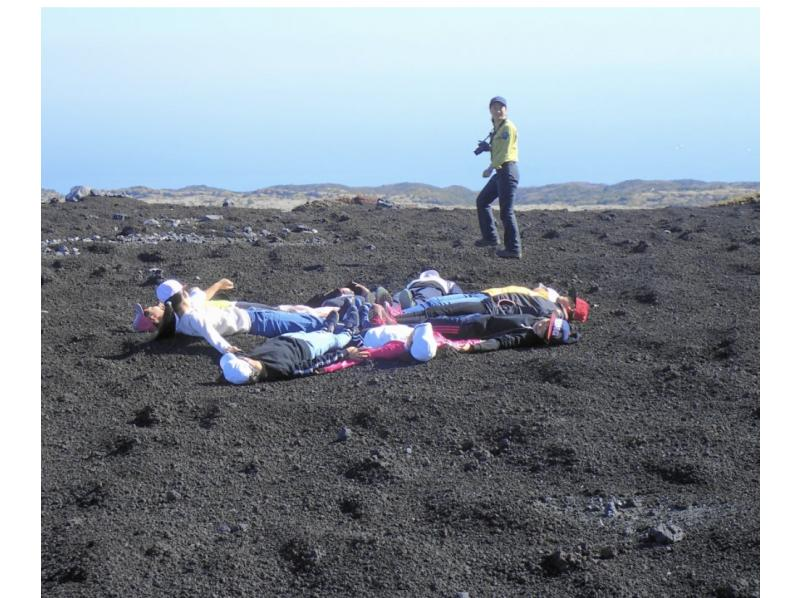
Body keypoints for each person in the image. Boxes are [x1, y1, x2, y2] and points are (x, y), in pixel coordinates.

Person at [151, 279, 356, 355]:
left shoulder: (180, 318)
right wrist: (228, 350)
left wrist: (219, 284)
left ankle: (342, 313)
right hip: (256, 322)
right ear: (182, 293)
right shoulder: (192, 317)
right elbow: (211, 335)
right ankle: (348, 322)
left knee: (295, 316)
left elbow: (201, 295)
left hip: (253, 317)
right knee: (304, 322)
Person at [219, 326, 362, 385]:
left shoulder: (253, 364)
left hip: (286, 338)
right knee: (336, 339)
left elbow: (242, 356)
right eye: (242, 359)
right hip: (308, 345)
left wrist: (236, 352)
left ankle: (326, 327)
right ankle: (351, 328)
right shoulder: (283, 370)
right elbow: (315, 364)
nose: (243, 357)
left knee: (321, 333)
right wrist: (345, 353)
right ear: (251, 366)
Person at [474, 96, 521, 259]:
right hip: (501, 172)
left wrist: (490, 168)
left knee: (506, 212)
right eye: (494, 107)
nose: (498, 110)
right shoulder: (498, 128)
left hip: (507, 171)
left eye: (501, 107)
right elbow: (499, 147)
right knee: (482, 201)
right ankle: (491, 237)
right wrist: (489, 147)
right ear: (490, 110)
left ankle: (514, 249)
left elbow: (506, 152)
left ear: (506, 110)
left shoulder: (508, 127)